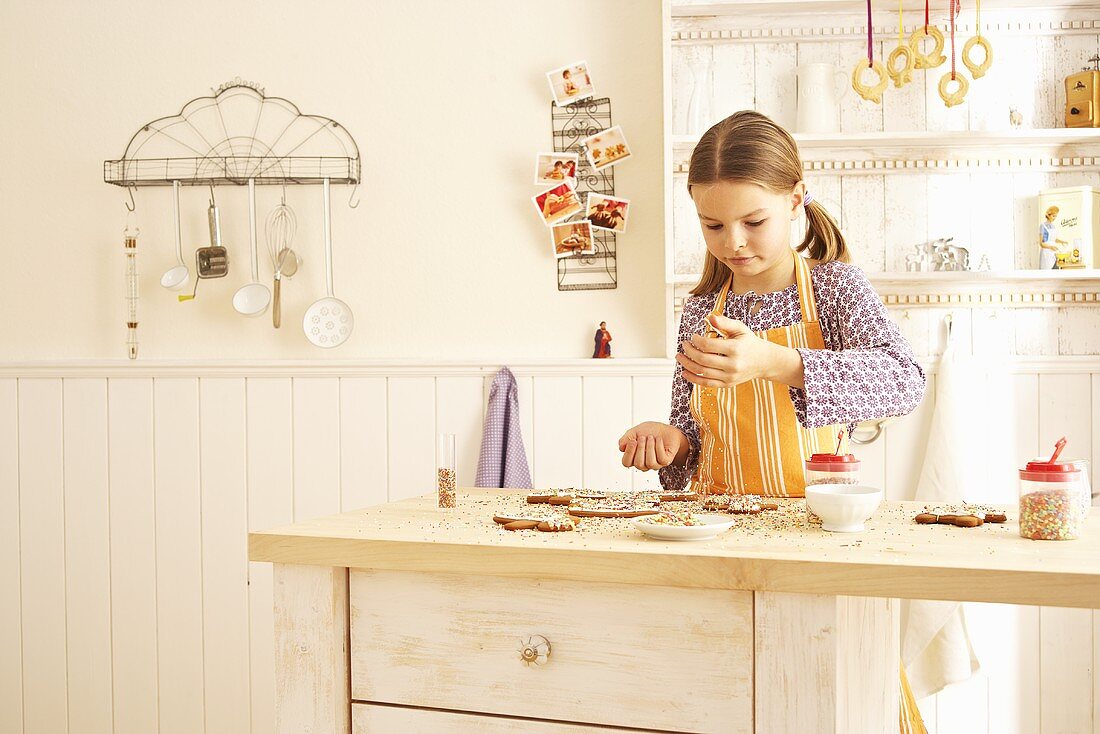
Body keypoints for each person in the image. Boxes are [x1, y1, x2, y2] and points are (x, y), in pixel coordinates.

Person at [614, 110, 927, 732]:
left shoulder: (835, 289)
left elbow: (904, 380)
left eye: (754, 221)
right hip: (715, 539)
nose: (734, 241)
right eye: (713, 224)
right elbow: (692, 434)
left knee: (816, 698)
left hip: (816, 538)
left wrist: (775, 362)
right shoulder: (703, 308)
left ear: (795, 202)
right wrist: (669, 443)